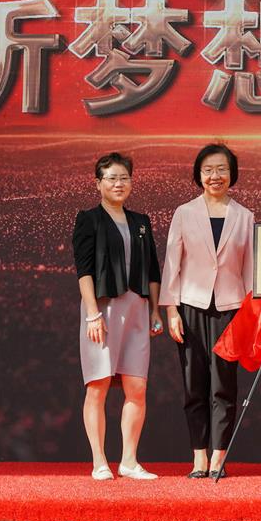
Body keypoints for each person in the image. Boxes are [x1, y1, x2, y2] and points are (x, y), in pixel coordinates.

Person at [160, 143, 254, 480]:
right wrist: (171, 310)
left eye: (222, 169)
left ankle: (218, 457)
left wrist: (250, 315)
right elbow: (172, 264)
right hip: (191, 307)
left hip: (231, 309)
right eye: (208, 170)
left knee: (223, 386)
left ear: (232, 174)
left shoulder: (245, 216)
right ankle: (198, 457)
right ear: (199, 175)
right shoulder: (184, 213)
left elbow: (250, 270)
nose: (216, 176)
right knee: (194, 384)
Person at [71, 152, 164, 481]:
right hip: (103, 310)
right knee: (98, 385)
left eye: (124, 178)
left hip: (137, 310)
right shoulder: (89, 219)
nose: (118, 183)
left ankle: (129, 461)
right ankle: (99, 461)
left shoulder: (141, 222)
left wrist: (155, 310)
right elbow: (84, 271)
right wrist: (92, 314)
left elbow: (153, 270)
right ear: (98, 183)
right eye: (111, 178)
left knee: (136, 386)